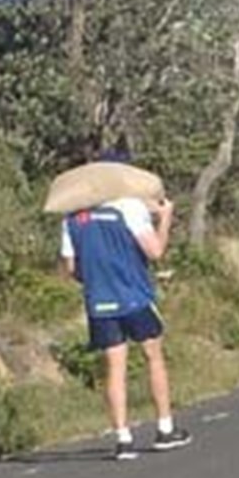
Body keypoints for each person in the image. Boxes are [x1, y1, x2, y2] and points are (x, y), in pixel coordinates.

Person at [60, 183, 193, 461]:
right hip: (134, 296)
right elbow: (155, 251)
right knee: (153, 357)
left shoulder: (72, 219)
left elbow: (72, 268)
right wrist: (165, 218)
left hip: (100, 301)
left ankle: (123, 438)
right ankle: (165, 429)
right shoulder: (130, 208)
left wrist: (94, 278)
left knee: (115, 367)